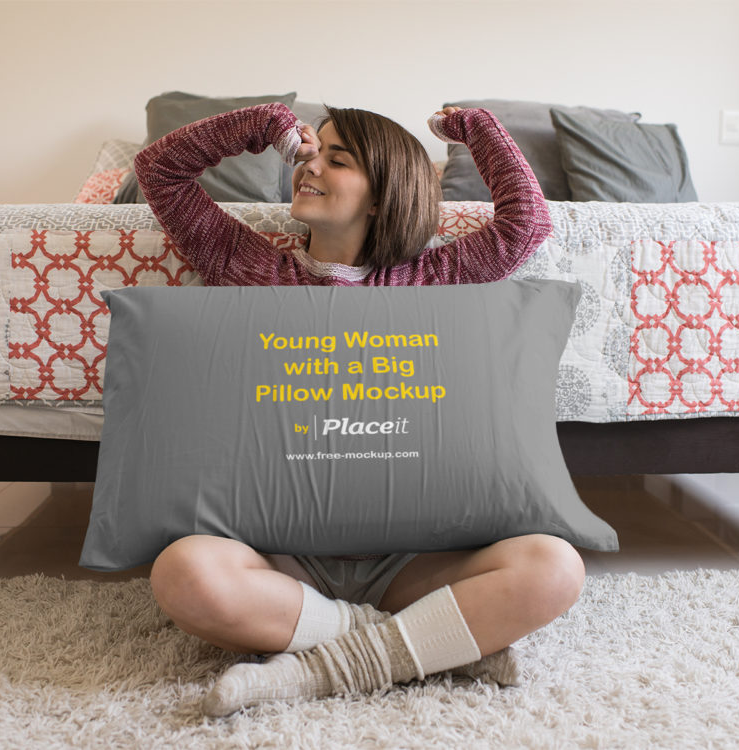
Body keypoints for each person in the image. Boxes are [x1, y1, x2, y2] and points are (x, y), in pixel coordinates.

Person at [133, 102, 585, 717]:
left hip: (410, 557)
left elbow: (527, 224)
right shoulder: (252, 268)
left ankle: (307, 672)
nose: (307, 164)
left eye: (336, 158)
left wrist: (477, 129)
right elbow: (160, 171)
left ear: (382, 195)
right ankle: (432, 645)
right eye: (309, 150)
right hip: (283, 553)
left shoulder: (436, 278)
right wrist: (257, 127)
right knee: (182, 572)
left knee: (555, 566)